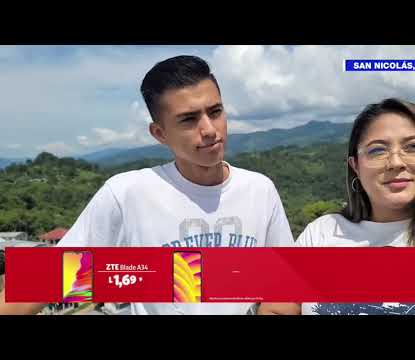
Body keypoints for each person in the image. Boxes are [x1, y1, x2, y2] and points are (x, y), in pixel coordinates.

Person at [0, 55, 294, 315]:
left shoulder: (260, 190)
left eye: (215, 112)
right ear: (159, 133)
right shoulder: (128, 194)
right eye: (189, 120)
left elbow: (286, 287)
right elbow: (46, 280)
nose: (209, 130)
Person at [259, 98, 415, 315]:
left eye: (413, 147)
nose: (396, 162)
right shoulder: (322, 233)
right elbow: (275, 309)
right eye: (377, 150)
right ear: (355, 165)